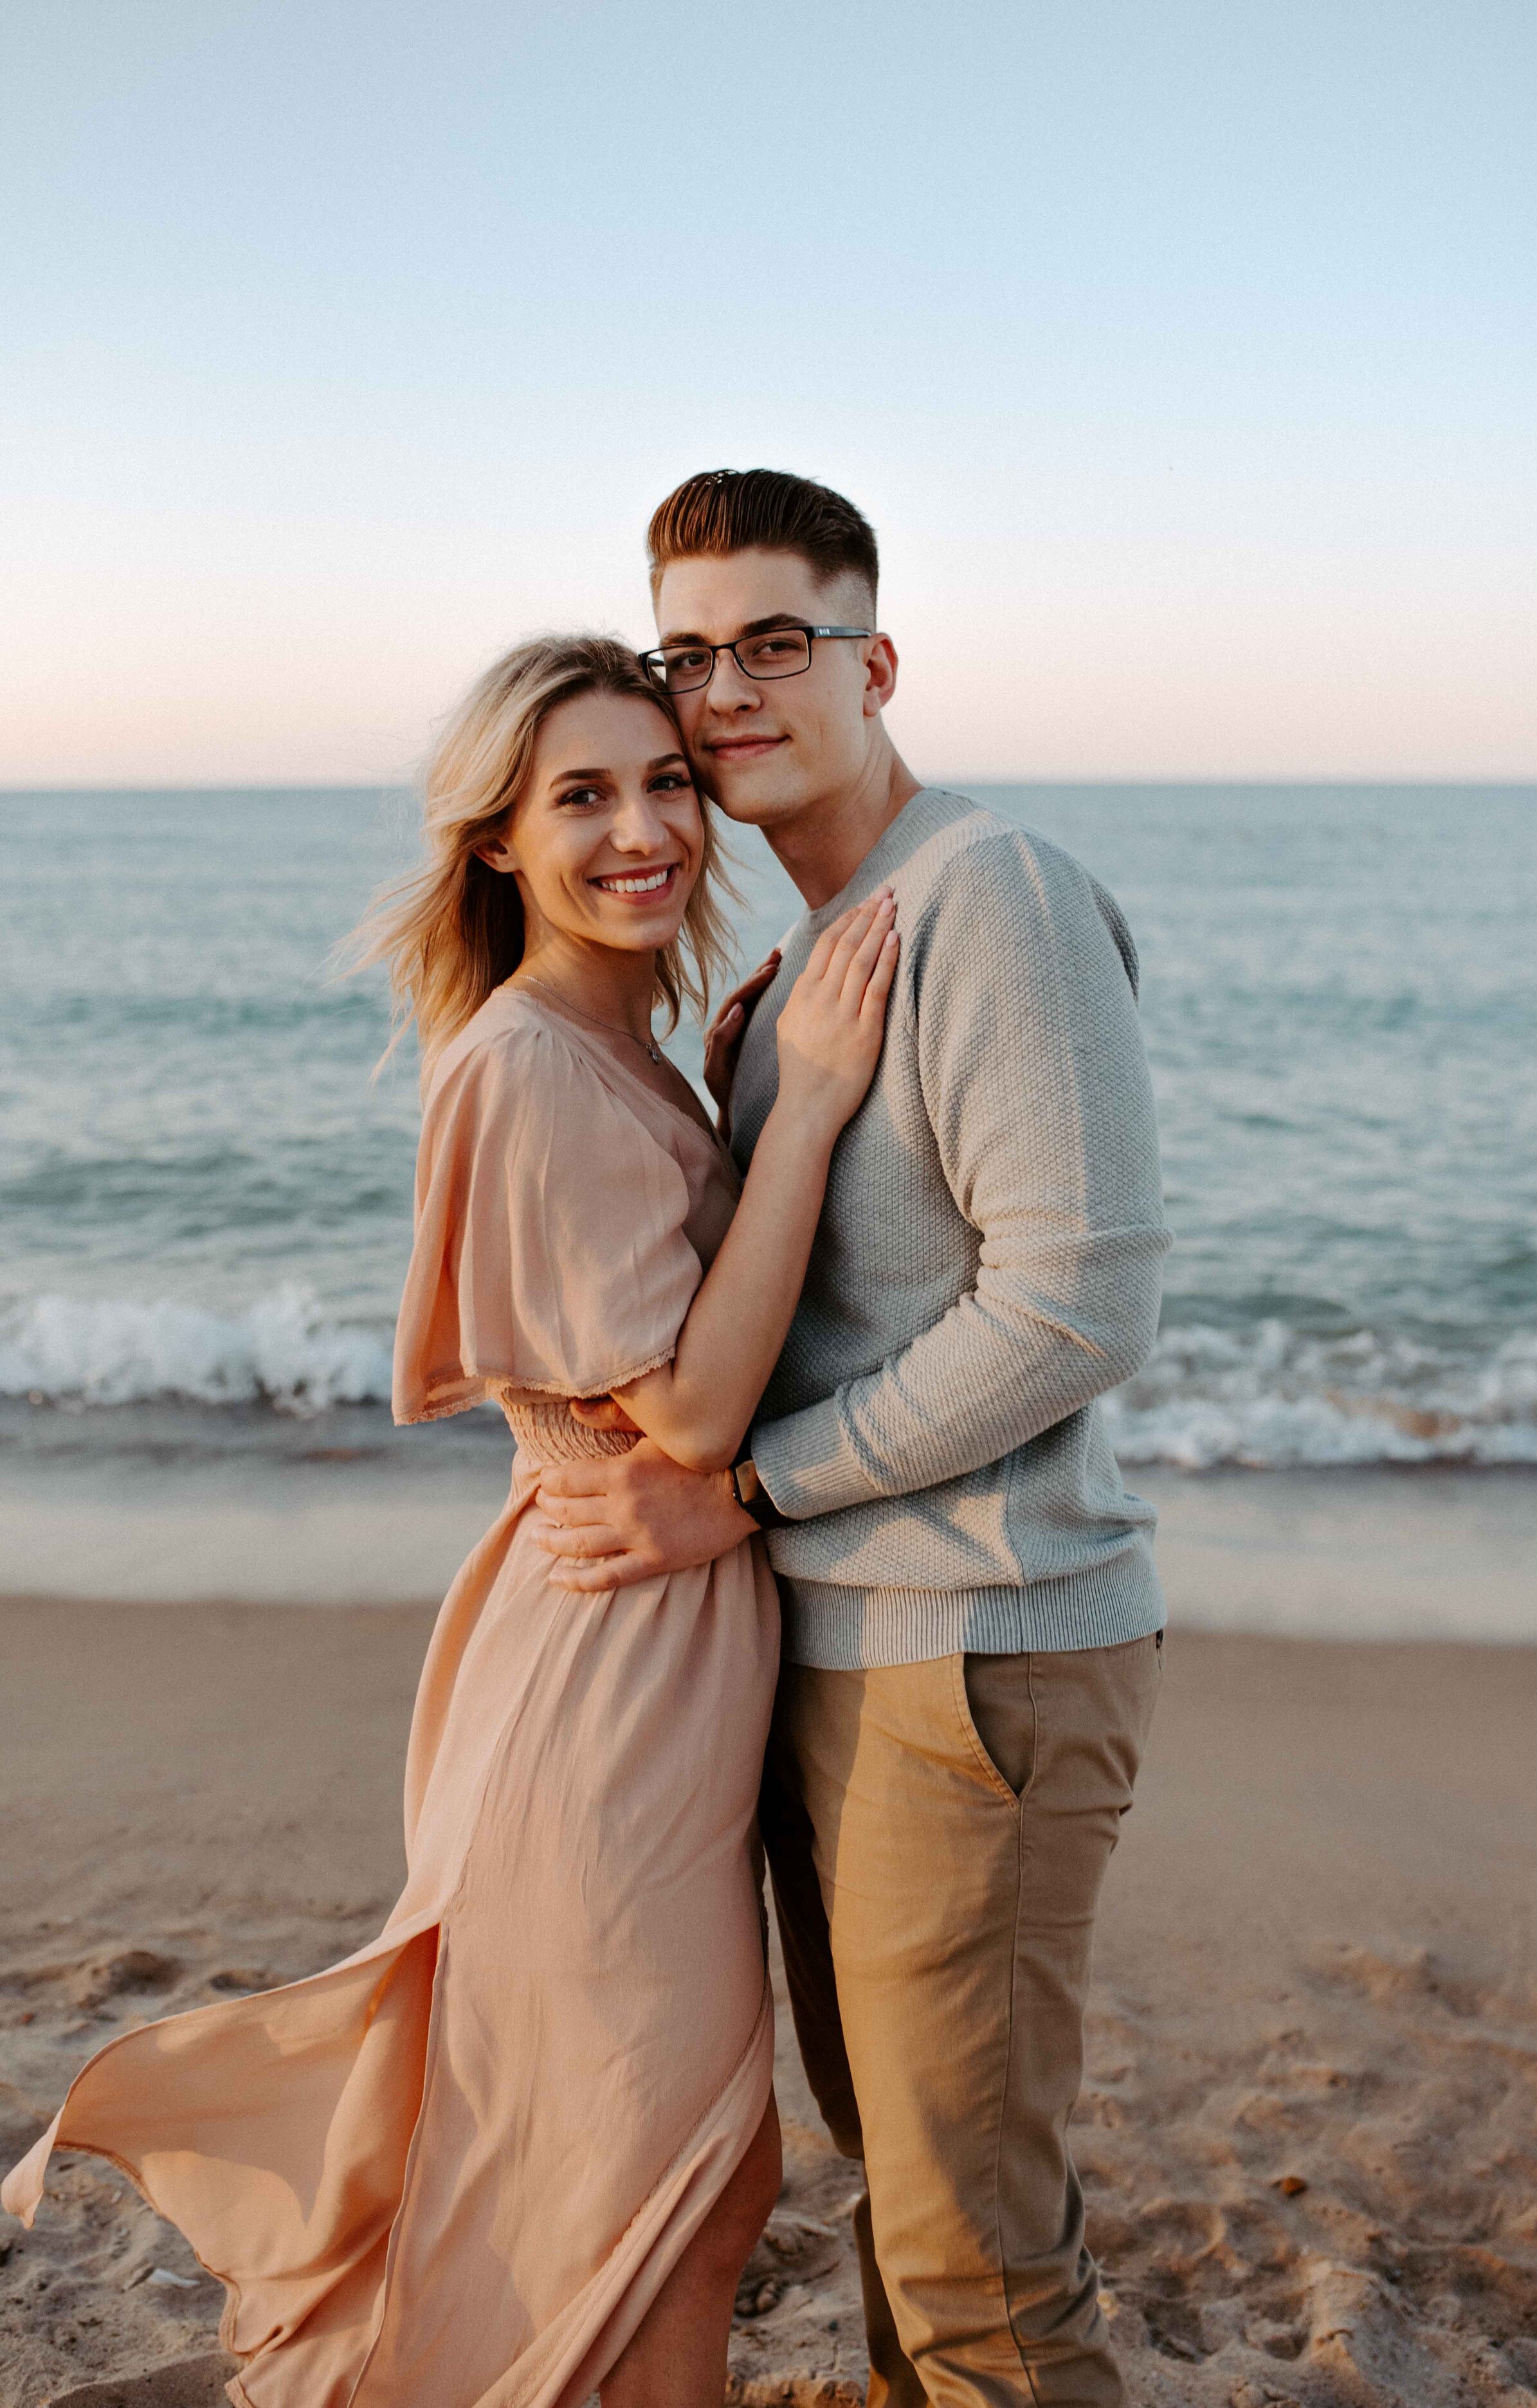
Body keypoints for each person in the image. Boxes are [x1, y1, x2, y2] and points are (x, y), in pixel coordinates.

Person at [2, 634, 900, 2408]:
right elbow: (697, 1410)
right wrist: (803, 1120)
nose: (642, 828)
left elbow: (675, 1344)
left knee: (671, 2186)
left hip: (631, 1656)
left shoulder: (617, 1037)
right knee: (673, 2188)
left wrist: (741, 1093)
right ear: (495, 838)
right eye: (581, 795)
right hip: (600, 1692)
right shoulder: (523, 1059)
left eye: (662, 783)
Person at [534, 473, 1172, 2408]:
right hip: (845, 1649)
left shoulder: (994, 896)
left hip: (975, 1651)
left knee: (977, 2264)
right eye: (689, 653)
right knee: (906, 2203)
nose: (723, 691)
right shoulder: (806, 956)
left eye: (774, 642)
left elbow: (1072, 1311)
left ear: (872, 661)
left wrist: (744, 1486)